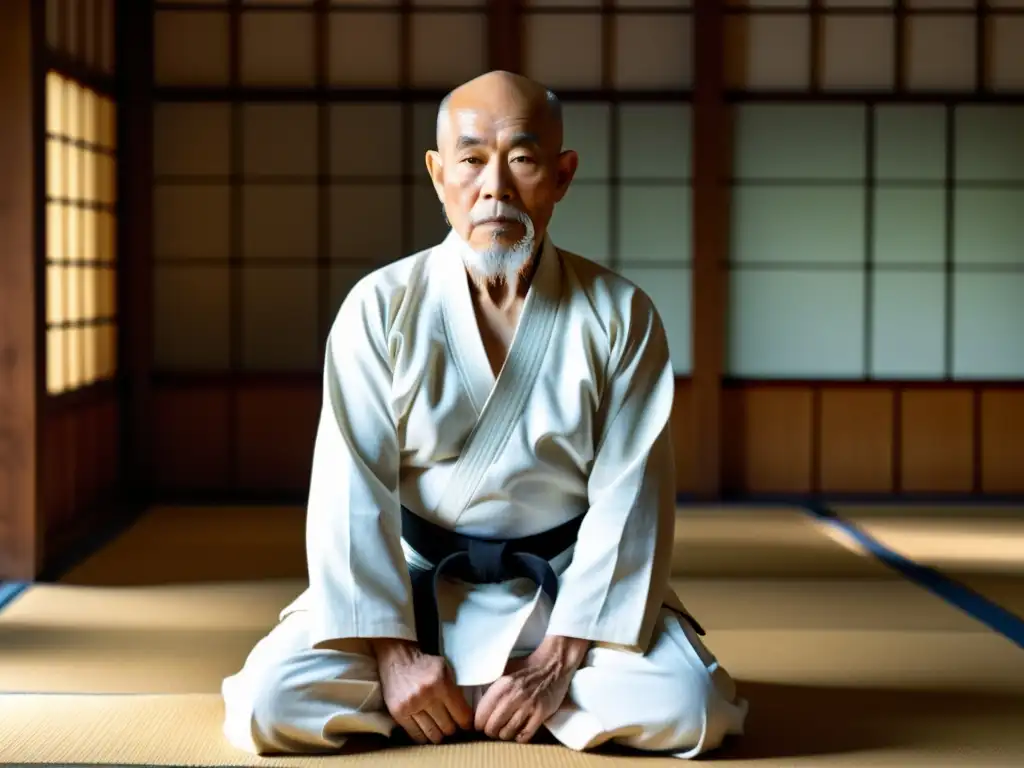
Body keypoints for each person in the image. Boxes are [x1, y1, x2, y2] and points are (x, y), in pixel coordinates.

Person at [221, 70, 748, 758]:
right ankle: (443, 688)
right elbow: (350, 496)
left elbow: (632, 504)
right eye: (471, 160)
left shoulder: (620, 316)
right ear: (439, 177)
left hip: (565, 600)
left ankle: (507, 694)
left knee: (692, 708)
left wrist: (558, 663)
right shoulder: (380, 309)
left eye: (523, 160)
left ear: (562, 176)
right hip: (408, 595)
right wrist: (393, 655)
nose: (495, 186)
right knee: (270, 704)